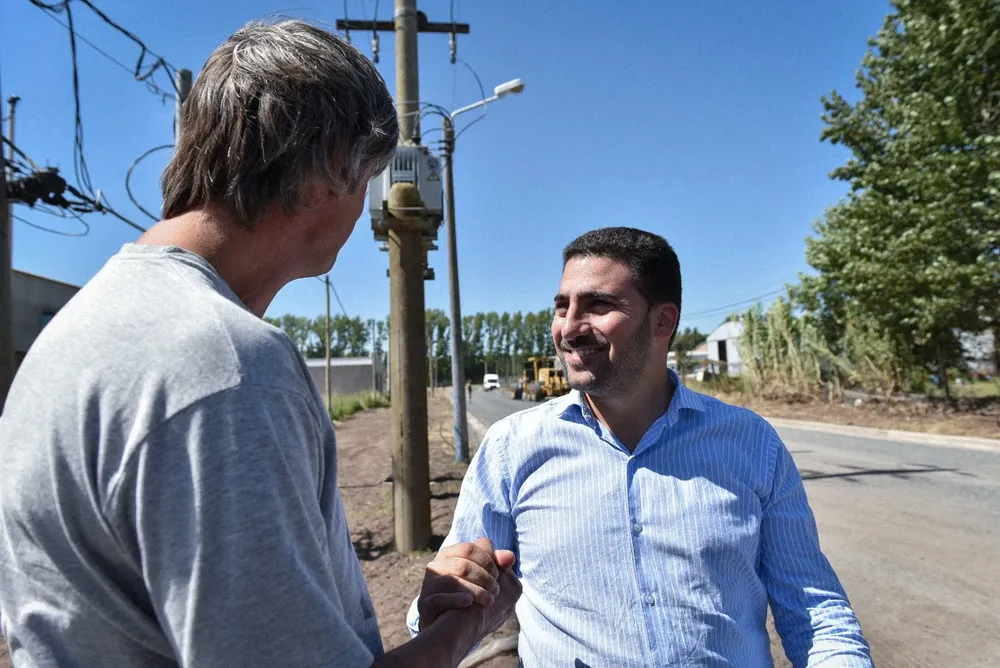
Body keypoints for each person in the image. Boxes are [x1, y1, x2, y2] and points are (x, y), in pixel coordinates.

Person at [0, 19, 518, 668]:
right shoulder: (224, 368)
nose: (363, 209)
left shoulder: (75, 335)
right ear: (332, 168)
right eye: (368, 180)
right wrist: (466, 629)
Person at [409, 227, 873, 666]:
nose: (569, 327)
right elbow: (447, 601)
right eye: (561, 306)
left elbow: (815, 612)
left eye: (598, 305)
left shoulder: (751, 443)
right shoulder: (512, 450)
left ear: (662, 321)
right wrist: (442, 599)